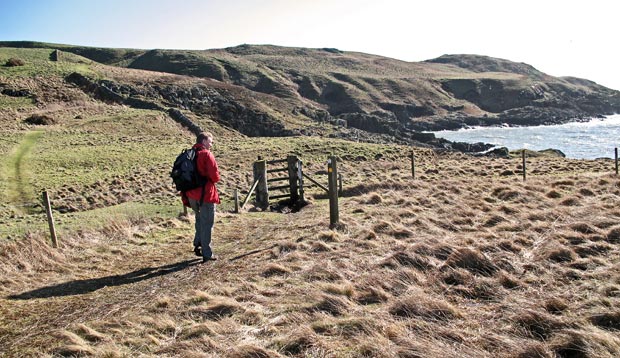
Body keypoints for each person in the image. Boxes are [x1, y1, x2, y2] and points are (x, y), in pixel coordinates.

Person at [183, 132, 220, 263]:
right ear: (203, 141)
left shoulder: (189, 153)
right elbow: (215, 176)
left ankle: (198, 243)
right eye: (210, 141)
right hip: (205, 195)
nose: (211, 144)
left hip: (191, 195)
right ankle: (207, 252)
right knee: (207, 223)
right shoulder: (206, 154)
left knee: (199, 219)